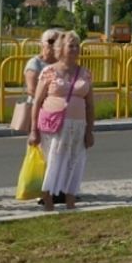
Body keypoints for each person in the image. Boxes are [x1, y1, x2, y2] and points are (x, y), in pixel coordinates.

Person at [27, 31, 95, 211]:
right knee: (53, 161)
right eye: (70, 46)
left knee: (75, 161)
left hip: (78, 126)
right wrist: (33, 129)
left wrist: (90, 131)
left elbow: (90, 105)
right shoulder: (49, 71)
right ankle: (48, 202)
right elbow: (37, 102)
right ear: (60, 49)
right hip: (54, 125)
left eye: (76, 46)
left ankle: (70, 201)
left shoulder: (85, 73)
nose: (74, 49)